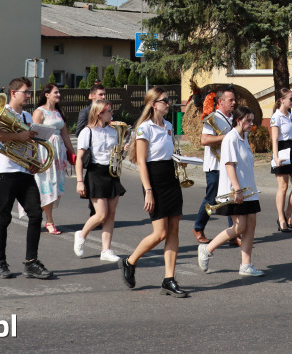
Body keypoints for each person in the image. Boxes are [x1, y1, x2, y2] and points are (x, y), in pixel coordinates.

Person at [118, 87, 189, 297]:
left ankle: (169, 279)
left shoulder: (168, 125)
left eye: (168, 99)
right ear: (153, 104)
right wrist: (148, 190)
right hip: (154, 179)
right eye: (165, 100)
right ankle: (130, 261)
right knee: (160, 233)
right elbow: (141, 161)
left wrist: (181, 161)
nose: (169, 103)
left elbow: (169, 152)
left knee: (174, 230)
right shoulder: (144, 128)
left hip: (170, 176)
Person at [0, 77, 54, 280]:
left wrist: (33, 160)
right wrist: (17, 137)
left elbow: (30, 143)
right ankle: (1, 262)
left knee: (36, 214)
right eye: (26, 92)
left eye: (29, 92)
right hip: (5, 172)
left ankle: (31, 262)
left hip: (23, 172)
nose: (29, 96)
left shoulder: (26, 117)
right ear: (14, 93)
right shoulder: (2, 112)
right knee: (4, 217)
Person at [198, 105, 265, 277]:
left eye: (252, 121)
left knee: (251, 225)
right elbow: (229, 165)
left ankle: (246, 264)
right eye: (248, 121)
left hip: (249, 189)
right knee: (239, 226)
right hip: (236, 190)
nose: (251, 124)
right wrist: (237, 189)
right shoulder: (231, 138)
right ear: (238, 120)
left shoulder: (244, 137)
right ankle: (207, 249)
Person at [74, 98, 124, 263]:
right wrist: (80, 181)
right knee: (101, 214)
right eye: (109, 111)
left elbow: (116, 154)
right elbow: (79, 158)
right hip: (95, 172)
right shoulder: (87, 131)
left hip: (111, 173)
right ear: (99, 113)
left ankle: (106, 250)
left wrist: (124, 150)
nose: (112, 113)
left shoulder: (113, 131)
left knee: (111, 214)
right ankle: (81, 235)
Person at [31, 83, 76, 234]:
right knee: (45, 185)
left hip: (59, 153)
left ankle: (41, 217)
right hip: (45, 152)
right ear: (47, 94)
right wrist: (33, 157)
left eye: (58, 92)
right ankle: (49, 221)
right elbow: (33, 135)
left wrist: (72, 153)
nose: (58, 95)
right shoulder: (39, 112)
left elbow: (65, 135)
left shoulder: (58, 112)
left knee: (55, 185)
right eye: (56, 92)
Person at [192, 88, 235, 244]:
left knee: (232, 197)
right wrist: (226, 137)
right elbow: (204, 140)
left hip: (228, 164)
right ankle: (198, 227)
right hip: (215, 165)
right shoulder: (213, 118)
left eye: (234, 100)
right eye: (231, 100)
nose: (234, 103)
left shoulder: (233, 118)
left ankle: (234, 235)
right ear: (221, 102)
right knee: (212, 199)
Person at [270, 88, 292, 232]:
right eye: (291, 99)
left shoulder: (290, 115)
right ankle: (281, 219)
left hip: (291, 150)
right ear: (282, 100)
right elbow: (274, 140)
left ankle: (288, 213)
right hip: (281, 151)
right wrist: (276, 157)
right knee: (283, 187)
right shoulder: (276, 117)